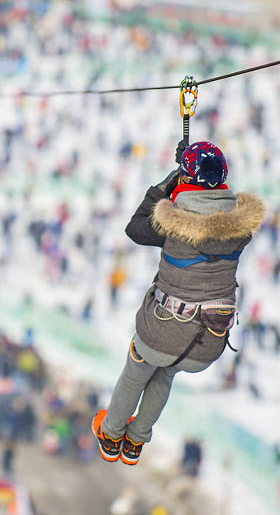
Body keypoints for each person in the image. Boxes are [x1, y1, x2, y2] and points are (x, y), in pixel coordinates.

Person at [93, 141, 264, 465]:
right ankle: (136, 442)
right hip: (206, 344)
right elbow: (211, 206)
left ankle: (112, 433)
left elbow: (135, 228)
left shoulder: (173, 226)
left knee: (138, 370)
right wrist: (187, 180)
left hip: (163, 329)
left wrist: (169, 183)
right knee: (165, 374)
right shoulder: (242, 230)